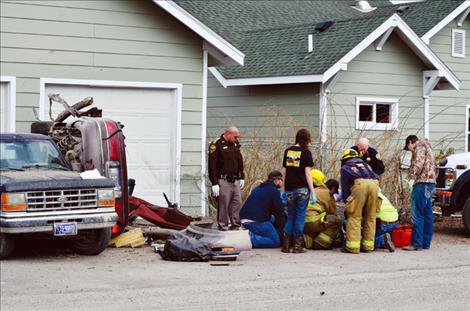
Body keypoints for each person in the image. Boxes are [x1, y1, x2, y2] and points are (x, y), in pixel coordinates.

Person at [281, 128, 316, 253]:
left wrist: (283, 189)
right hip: (302, 190)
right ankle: (297, 247)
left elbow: (284, 172)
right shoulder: (306, 153)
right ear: (307, 139)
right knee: (300, 217)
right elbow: (308, 174)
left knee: (290, 216)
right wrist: (312, 191)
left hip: (290, 189)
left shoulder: (288, 151)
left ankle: (286, 246)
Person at [340, 149, 380, 254]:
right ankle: (368, 246)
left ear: (345, 159)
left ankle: (353, 247)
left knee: (354, 216)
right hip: (375, 185)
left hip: (360, 185)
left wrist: (347, 202)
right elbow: (377, 176)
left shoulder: (345, 167)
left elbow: (345, 188)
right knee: (370, 216)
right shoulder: (367, 165)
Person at [402, 135, 436, 251]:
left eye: (409, 148)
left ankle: (416, 243)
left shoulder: (419, 146)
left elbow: (418, 164)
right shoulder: (428, 146)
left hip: (422, 183)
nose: (410, 150)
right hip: (431, 183)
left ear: (411, 142)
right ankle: (425, 243)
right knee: (427, 213)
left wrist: (411, 174)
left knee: (417, 214)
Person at [208, 126, 245, 231]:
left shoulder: (235, 144)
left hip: (235, 180)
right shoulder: (216, 144)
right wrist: (214, 183)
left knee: (237, 203)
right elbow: (212, 165)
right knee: (224, 204)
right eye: (235, 137)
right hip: (223, 180)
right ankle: (223, 226)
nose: (237, 139)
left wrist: (241, 176)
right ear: (228, 134)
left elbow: (239, 160)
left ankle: (235, 225)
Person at [240, 170, 286, 248]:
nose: (282, 182)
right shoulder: (274, 191)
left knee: (273, 218)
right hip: (256, 221)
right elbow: (279, 212)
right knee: (275, 241)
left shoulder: (258, 188)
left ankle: (251, 232)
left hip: (244, 219)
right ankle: (250, 238)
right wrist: (284, 229)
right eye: (281, 180)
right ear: (276, 180)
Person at [303, 170, 341, 250]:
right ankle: (321, 243)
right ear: (333, 188)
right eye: (335, 192)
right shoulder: (327, 193)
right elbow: (333, 213)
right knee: (335, 221)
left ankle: (308, 240)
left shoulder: (311, 191)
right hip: (313, 222)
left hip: (301, 222)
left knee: (322, 220)